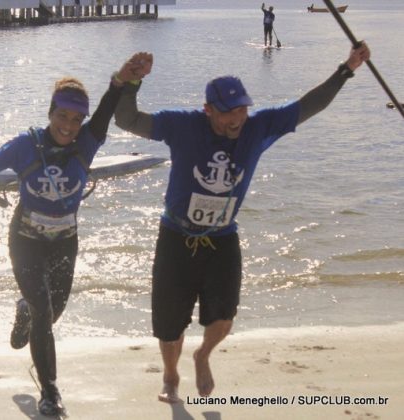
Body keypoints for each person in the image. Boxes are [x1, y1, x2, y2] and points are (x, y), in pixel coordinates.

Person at [113, 44, 370, 402]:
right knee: (170, 322)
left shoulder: (258, 127)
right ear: (208, 111)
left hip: (222, 238)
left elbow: (309, 106)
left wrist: (347, 69)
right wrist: (130, 83)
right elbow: (126, 120)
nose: (237, 118)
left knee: (224, 317)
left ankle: (202, 354)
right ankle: (171, 375)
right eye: (228, 112)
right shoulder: (182, 125)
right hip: (176, 235)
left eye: (242, 109)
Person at [0, 73, 126, 416]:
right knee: (45, 313)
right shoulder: (25, 145)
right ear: (50, 112)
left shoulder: (88, 143)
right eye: (62, 116)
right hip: (26, 239)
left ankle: (25, 309)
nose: (69, 126)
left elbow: (107, 109)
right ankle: (50, 391)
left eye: (76, 120)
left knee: (51, 313)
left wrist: (122, 81)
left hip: (64, 242)